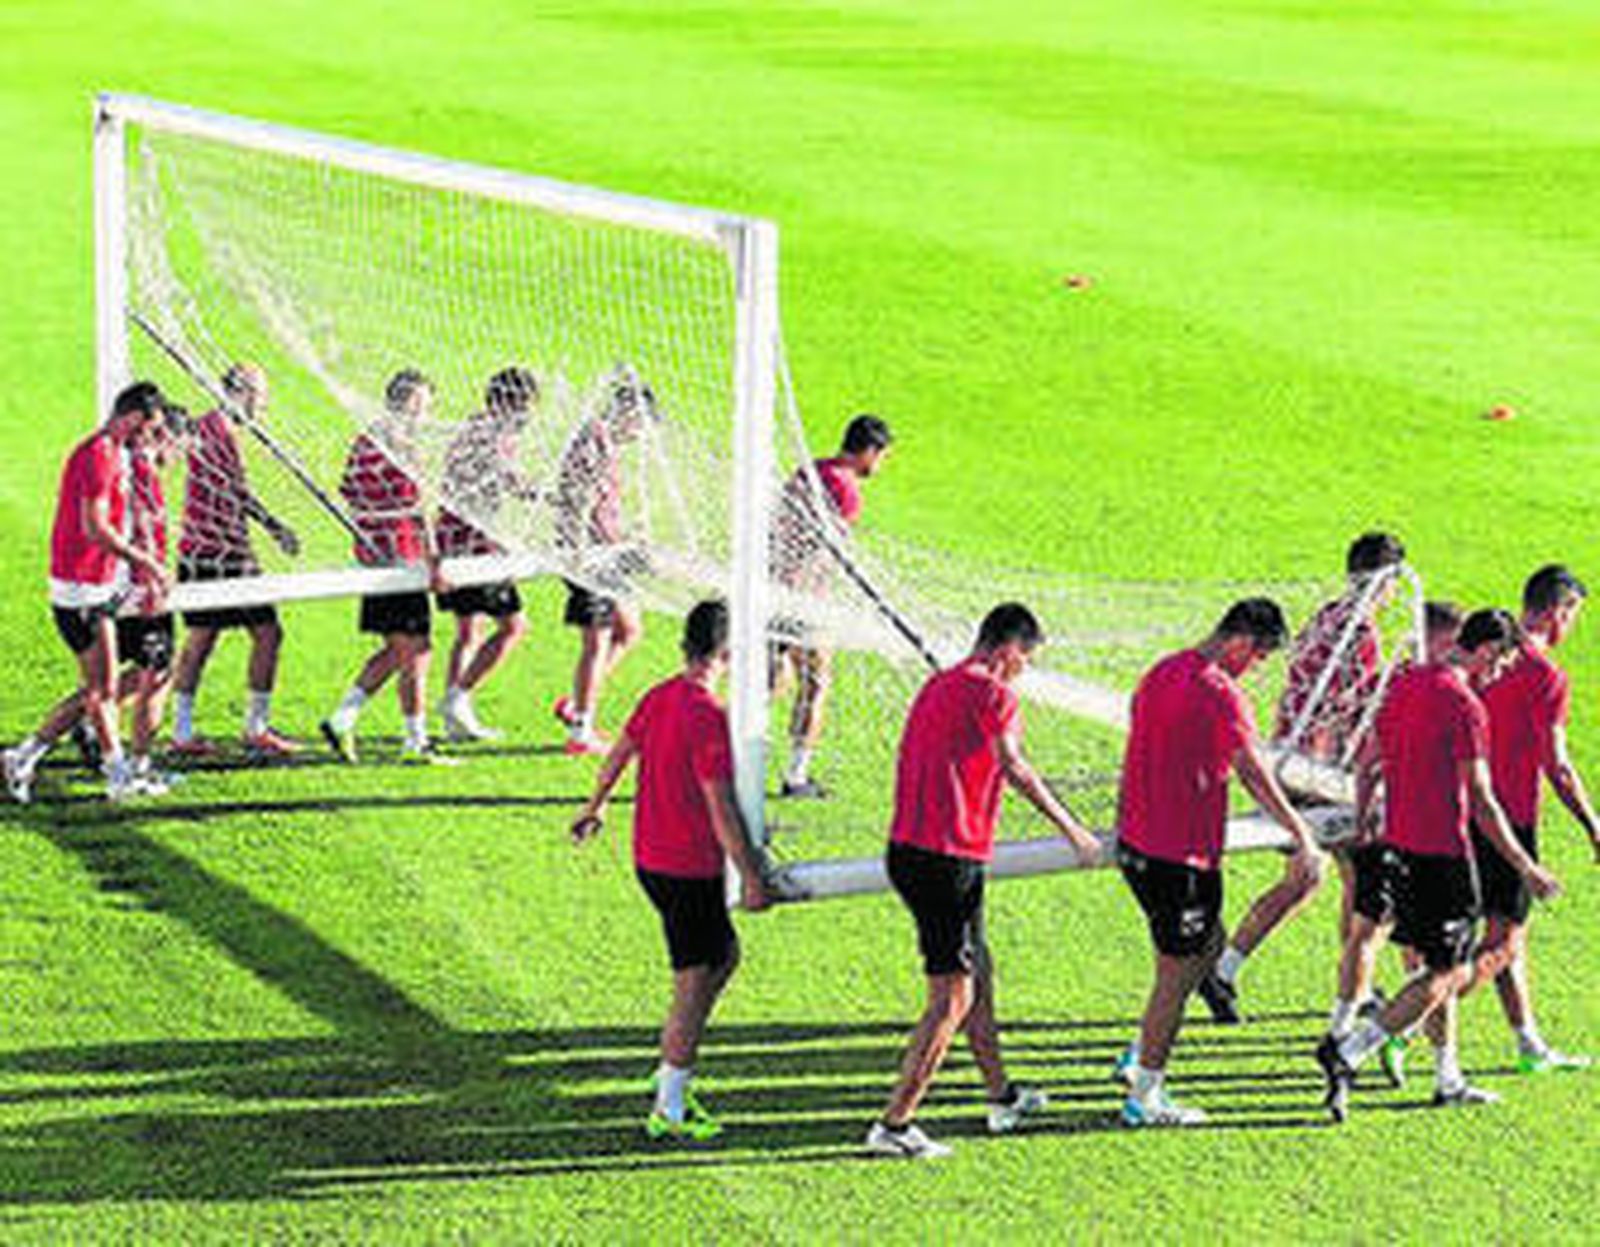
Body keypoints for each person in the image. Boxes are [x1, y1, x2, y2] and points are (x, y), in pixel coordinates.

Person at [866, 603, 1103, 1159]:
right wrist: (1074, 829)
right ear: (1005, 651)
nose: (1024, 671)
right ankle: (894, 1126)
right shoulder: (996, 694)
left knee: (978, 974)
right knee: (952, 997)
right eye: (1024, 659)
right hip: (947, 859)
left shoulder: (938, 685)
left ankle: (1001, 1096)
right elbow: (1015, 767)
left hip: (910, 849)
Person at [1315, 609, 1561, 1122]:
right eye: (1503, 660)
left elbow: (1368, 763)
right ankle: (1351, 1048)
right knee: (1445, 974)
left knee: (1430, 965)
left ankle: (1447, 1076)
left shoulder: (1404, 684)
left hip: (1397, 848)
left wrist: (1364, 822)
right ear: (1488, 648)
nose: (1500, 672)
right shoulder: (1466, 705)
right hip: (1443, 857)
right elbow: (1484, 800)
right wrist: (1525, 865)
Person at [1115, 599, 1321, 1127]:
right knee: (1177, 974)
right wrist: (1301, 835)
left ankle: (1139, 1057)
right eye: (1257, 659)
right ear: (1241, 642)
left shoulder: (1162, 671)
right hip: (1178, 855)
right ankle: (1146, 1094)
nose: (1253, 670)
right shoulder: (1220, 694)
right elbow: (1253, 772)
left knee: (1193, 956)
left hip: (1138, 844)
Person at [572, 599, 772, 1141]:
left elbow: (618, 751)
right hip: (687, 869)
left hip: (652, 861)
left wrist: (595, 806)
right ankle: (671, 1102)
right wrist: (750, 873)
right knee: (694, 980)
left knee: (723, 955)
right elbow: (720, 806)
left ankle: (673, 1065)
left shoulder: (661, 695)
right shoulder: (708, 716)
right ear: (729, 652)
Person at [1197, 532, 1406, 1022]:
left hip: (1287, 756)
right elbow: (1350, 710)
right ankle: (1358, 987)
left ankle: (1224, 971)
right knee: (1350, 881)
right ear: (1388, 580)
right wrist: (1348, 777)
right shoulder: (1362, 635)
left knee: (1306, 878)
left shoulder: (1326, 616)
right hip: (1317, 771)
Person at [4, 382, 170, 803]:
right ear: (132, 418)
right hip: (78, 591)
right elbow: (94, 529)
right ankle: (114, 775)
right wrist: (144, 561)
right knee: (101, 692)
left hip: (96, 586)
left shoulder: (113, 453)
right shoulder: (98, 455)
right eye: (149, 427)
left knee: (106, 688)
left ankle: (25, 757)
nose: (149, 436)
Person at [1321, 601, 1463, 1088]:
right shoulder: (1437, 691)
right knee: (1432, 962)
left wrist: (1360, 815)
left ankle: (1351, 1032)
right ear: (1440, 640)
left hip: (1381, 833)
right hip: (1417, 841)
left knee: (1376, 936)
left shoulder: (1392, 683)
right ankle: (1366, 1041)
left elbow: (1361, 756)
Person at [1467, 566, 1599, 1072]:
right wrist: (1593, 825)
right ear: (1556, 611)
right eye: (1573, 616)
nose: (1571, 627)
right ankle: (1400, 1022)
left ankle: (1528, 1043)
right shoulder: (1546, 676)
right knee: (1500, 945)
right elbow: (1558, 766)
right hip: (1510, 820)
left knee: (1504, 936)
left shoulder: (1485, 650)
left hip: (1461, 812)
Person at [169, 362, 302, 758]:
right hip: (222, 552)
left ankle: (183, 730)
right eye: (260, 395)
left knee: (202, 640)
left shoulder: (212, 428)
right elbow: (236, 494)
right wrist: (276, 527)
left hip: (202, 549)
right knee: (265, 633)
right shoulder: (220, 434)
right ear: (240, 393)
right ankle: (253, 727)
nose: (264, 404)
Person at [320, 369, 450, 764]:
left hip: (374, 555)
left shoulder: (365, 440)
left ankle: (342, 719)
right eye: (421, 405)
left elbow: (349, 491)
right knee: (414, 649)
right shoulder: (401, 447)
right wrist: (434, 562)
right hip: (401, 558)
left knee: (400, 648)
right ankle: (415, 740)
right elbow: (417, 509)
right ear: (405, 404)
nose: (425, 414)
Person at [770, 414, 893, 799]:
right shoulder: (846, 489)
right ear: (869, 451)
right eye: (883, 456)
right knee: (817, 682)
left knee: (776, 679)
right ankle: (797, 776)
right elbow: (831, 552)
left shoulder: (809, 470)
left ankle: (726, 746)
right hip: (805, 600)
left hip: (773, 586)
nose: (881, 465)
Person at [550, 370, 653, 756]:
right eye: (640, 424)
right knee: (597, 640)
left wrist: (624, 536)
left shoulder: (605, 441)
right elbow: (577, 498)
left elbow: (600, 504)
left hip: (605, 553)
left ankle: (578, 705)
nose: (639, 435)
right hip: (589, 558)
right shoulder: (593, 440)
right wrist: (578, 550)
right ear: (628, 414)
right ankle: (581, 732)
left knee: (629, 629)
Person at [434, 366, 539, 741]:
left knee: (470, 629)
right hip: (473, 544)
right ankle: (457, 700)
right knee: (513, 626)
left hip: (456, 539)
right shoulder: (487, 433)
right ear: (503, 401)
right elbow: (497, 477)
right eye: (522, 404)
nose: (527, 413)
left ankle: (455, 716)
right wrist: (535, 492)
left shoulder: (480, 429)